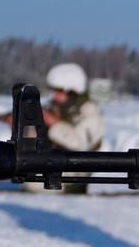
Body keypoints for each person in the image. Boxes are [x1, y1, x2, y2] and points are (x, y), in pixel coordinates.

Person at [21, 62, 104, 195]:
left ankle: (73, 188)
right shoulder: (58, 108)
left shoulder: (90, 112)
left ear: (72, 91)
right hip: (56, 161)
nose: (54, 96)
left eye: (59, 91)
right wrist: (25, 126)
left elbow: (79, 144)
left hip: (78, 168)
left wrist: (53, 123)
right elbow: (32, 143)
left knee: (33, 182)